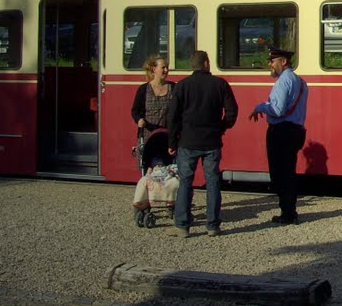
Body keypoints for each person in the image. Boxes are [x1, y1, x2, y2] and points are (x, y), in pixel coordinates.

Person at [166, 50, 238, 238]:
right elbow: (232, 112)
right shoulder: (220, 84)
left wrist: (172, 141)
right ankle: (212, 225)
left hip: (187, 141)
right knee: (213, 182)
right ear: (206, 63)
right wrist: (221, 127)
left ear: (192, 65)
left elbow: (172, 117)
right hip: (212, 141)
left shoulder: (181, 86)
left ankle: (182, 225)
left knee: (186, 183)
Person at [248, 47, 308, 225]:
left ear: (283, 62)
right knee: (289, 172)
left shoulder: (283, 81)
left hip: (281, 131)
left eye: (273, 61)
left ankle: (287, 213)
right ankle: (290, 211)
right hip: (296, 130)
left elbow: (278, 110)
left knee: (280, 174)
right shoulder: (300, 81)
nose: (270, 64)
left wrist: (260, 106)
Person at [130, 55, 175, 158]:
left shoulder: (173, 87)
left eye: (167, 67)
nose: (166, 70)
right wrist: (139, 120)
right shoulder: (143, 89)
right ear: (154, 69)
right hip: (148, 135)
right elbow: (135, 111)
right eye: (163, 67)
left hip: (166, 136)